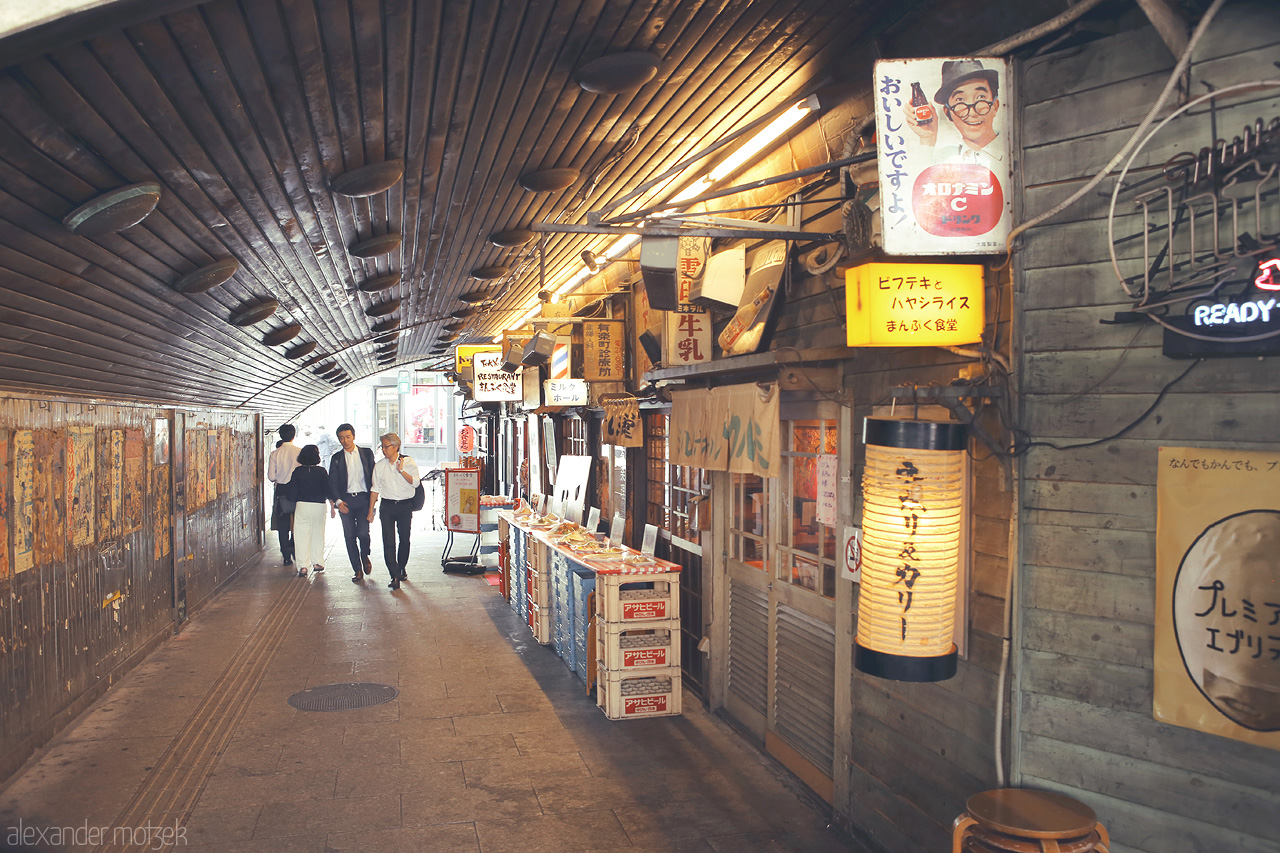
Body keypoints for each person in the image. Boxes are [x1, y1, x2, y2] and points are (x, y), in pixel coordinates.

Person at [903, 59, 1003, 170]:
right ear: (947, 112)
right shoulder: (942, 159)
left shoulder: (1011, 151)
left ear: (995, 106)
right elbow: (917, 184)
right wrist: (928, 138)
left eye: (980, 97)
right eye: (960, 100)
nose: (972, 112)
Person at [369, 432, 420, 590]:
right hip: (387, 506)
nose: (384, 450)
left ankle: (401, 567)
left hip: (405, 506)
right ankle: (394, 575)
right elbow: (375, 489)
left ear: (396, 446)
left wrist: (401, 471)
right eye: (382, 447)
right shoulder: (380, 466)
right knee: (388, 541)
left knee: (404, 539)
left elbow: (416, 483)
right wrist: (371, 510)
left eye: (386, 446)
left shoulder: (408, 461)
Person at [327, 423, 376, 583]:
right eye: (342, 438)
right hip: (345, 501)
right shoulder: (336, 458)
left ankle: (365, 555)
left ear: (353, 436)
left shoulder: (366, 454)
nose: (345, 440)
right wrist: (338, 502)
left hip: (363, 499)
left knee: (363, 533)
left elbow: (374, 478)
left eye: (348, 437)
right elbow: (332, 482)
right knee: (349, 536)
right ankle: (357, 569)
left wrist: (372, 503)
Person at [285, 445, 333, 577]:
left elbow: (292, 491)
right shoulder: (322, 472)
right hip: (319, 505)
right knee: (318, 533)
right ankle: (317, 562)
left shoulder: (298, 471)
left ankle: (303, 566)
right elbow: (328, 490)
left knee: (301, 535)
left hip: (302, 505)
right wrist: (333, 503)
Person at [266, 424, 302, 567]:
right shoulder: (300, 452)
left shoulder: (275, 454)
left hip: (281, 491)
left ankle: (286, 555)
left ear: (280, 435)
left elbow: (271, 476)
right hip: (297, 491)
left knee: (283, 525)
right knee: (298, 522)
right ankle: (294, 548)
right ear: (294, 435)